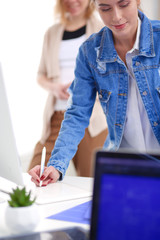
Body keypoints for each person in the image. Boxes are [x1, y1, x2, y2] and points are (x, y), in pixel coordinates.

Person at [29, 0, 160, 187]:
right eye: (105, 8)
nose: (116, 16)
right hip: (123, 167)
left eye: (123, 4)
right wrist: (56, 166)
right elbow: (77, 113)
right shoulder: (90, 52)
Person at [28, 0, 108, 177]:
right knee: (35, 176)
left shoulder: (102, 29)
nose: (71, 1)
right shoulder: (52, 33)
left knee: (92, 183)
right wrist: (54, 88)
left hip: (91, 119)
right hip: (57, 116)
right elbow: (41, 74)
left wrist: (83, 90)